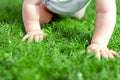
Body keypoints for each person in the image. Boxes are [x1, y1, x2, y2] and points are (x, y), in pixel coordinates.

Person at [22, 0, 119, 59]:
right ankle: (48, 9)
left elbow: (106, 12)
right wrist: (33, 29)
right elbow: (32, 3)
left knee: (78, 15)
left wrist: (99, 43)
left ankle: (76, 10)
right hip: (51, 5)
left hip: (75, 6)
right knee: (43, 18)